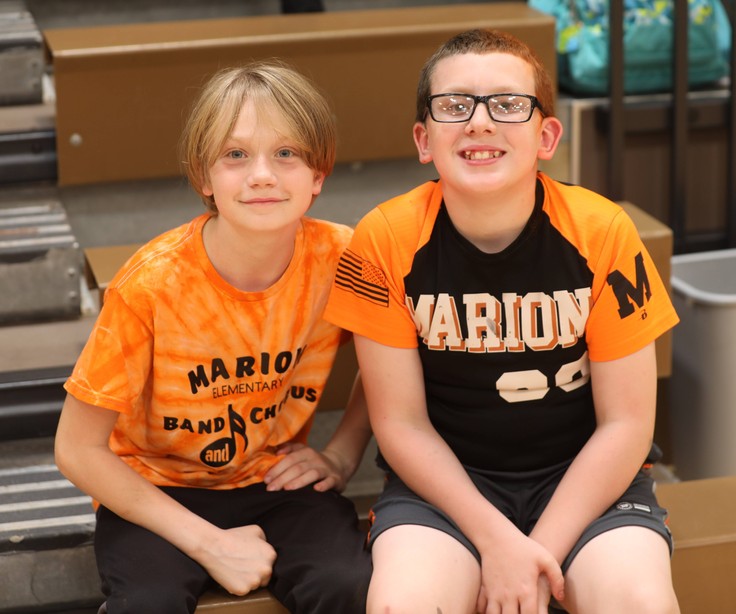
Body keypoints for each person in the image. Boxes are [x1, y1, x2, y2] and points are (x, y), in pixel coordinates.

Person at [324, 29, 681, 614]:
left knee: (639, 602)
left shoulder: (601, 230)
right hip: (445, 490)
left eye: (508, 104)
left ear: (546, 136)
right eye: (454, 105)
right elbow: (403, 425)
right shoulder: (384, 238)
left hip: (585, 480)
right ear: (424, 139)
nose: (480, 123)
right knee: (403, 604)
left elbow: (626, 425)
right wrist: (494, 539)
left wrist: (534, 551)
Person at [55, 60, 372, 614]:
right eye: (235, 155)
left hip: (272, 478)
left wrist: (343, 455)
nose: (262, 175)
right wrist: (211, 544)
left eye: (288, 153)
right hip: (154, 490)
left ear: (318, 175)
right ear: (204, 176)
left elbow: (393, 360)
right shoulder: (152, 284)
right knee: (147, 604)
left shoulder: (341, 259)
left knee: (347, 583)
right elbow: (76, 448)